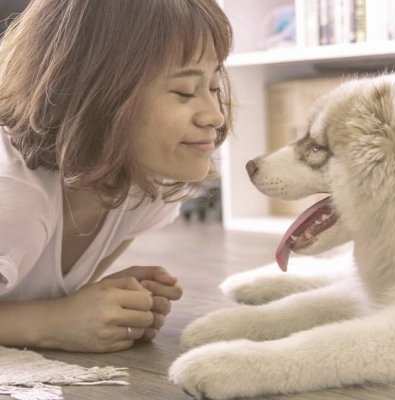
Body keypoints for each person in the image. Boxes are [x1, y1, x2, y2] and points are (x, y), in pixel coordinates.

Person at [0, 0, 233, 353]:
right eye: (184, 92)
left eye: (214, 87)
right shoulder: (14, 195)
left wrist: (102, 302)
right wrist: (49, 323)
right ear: (95, 94)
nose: (214, 116)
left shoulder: (143, 191)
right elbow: (46, 316)